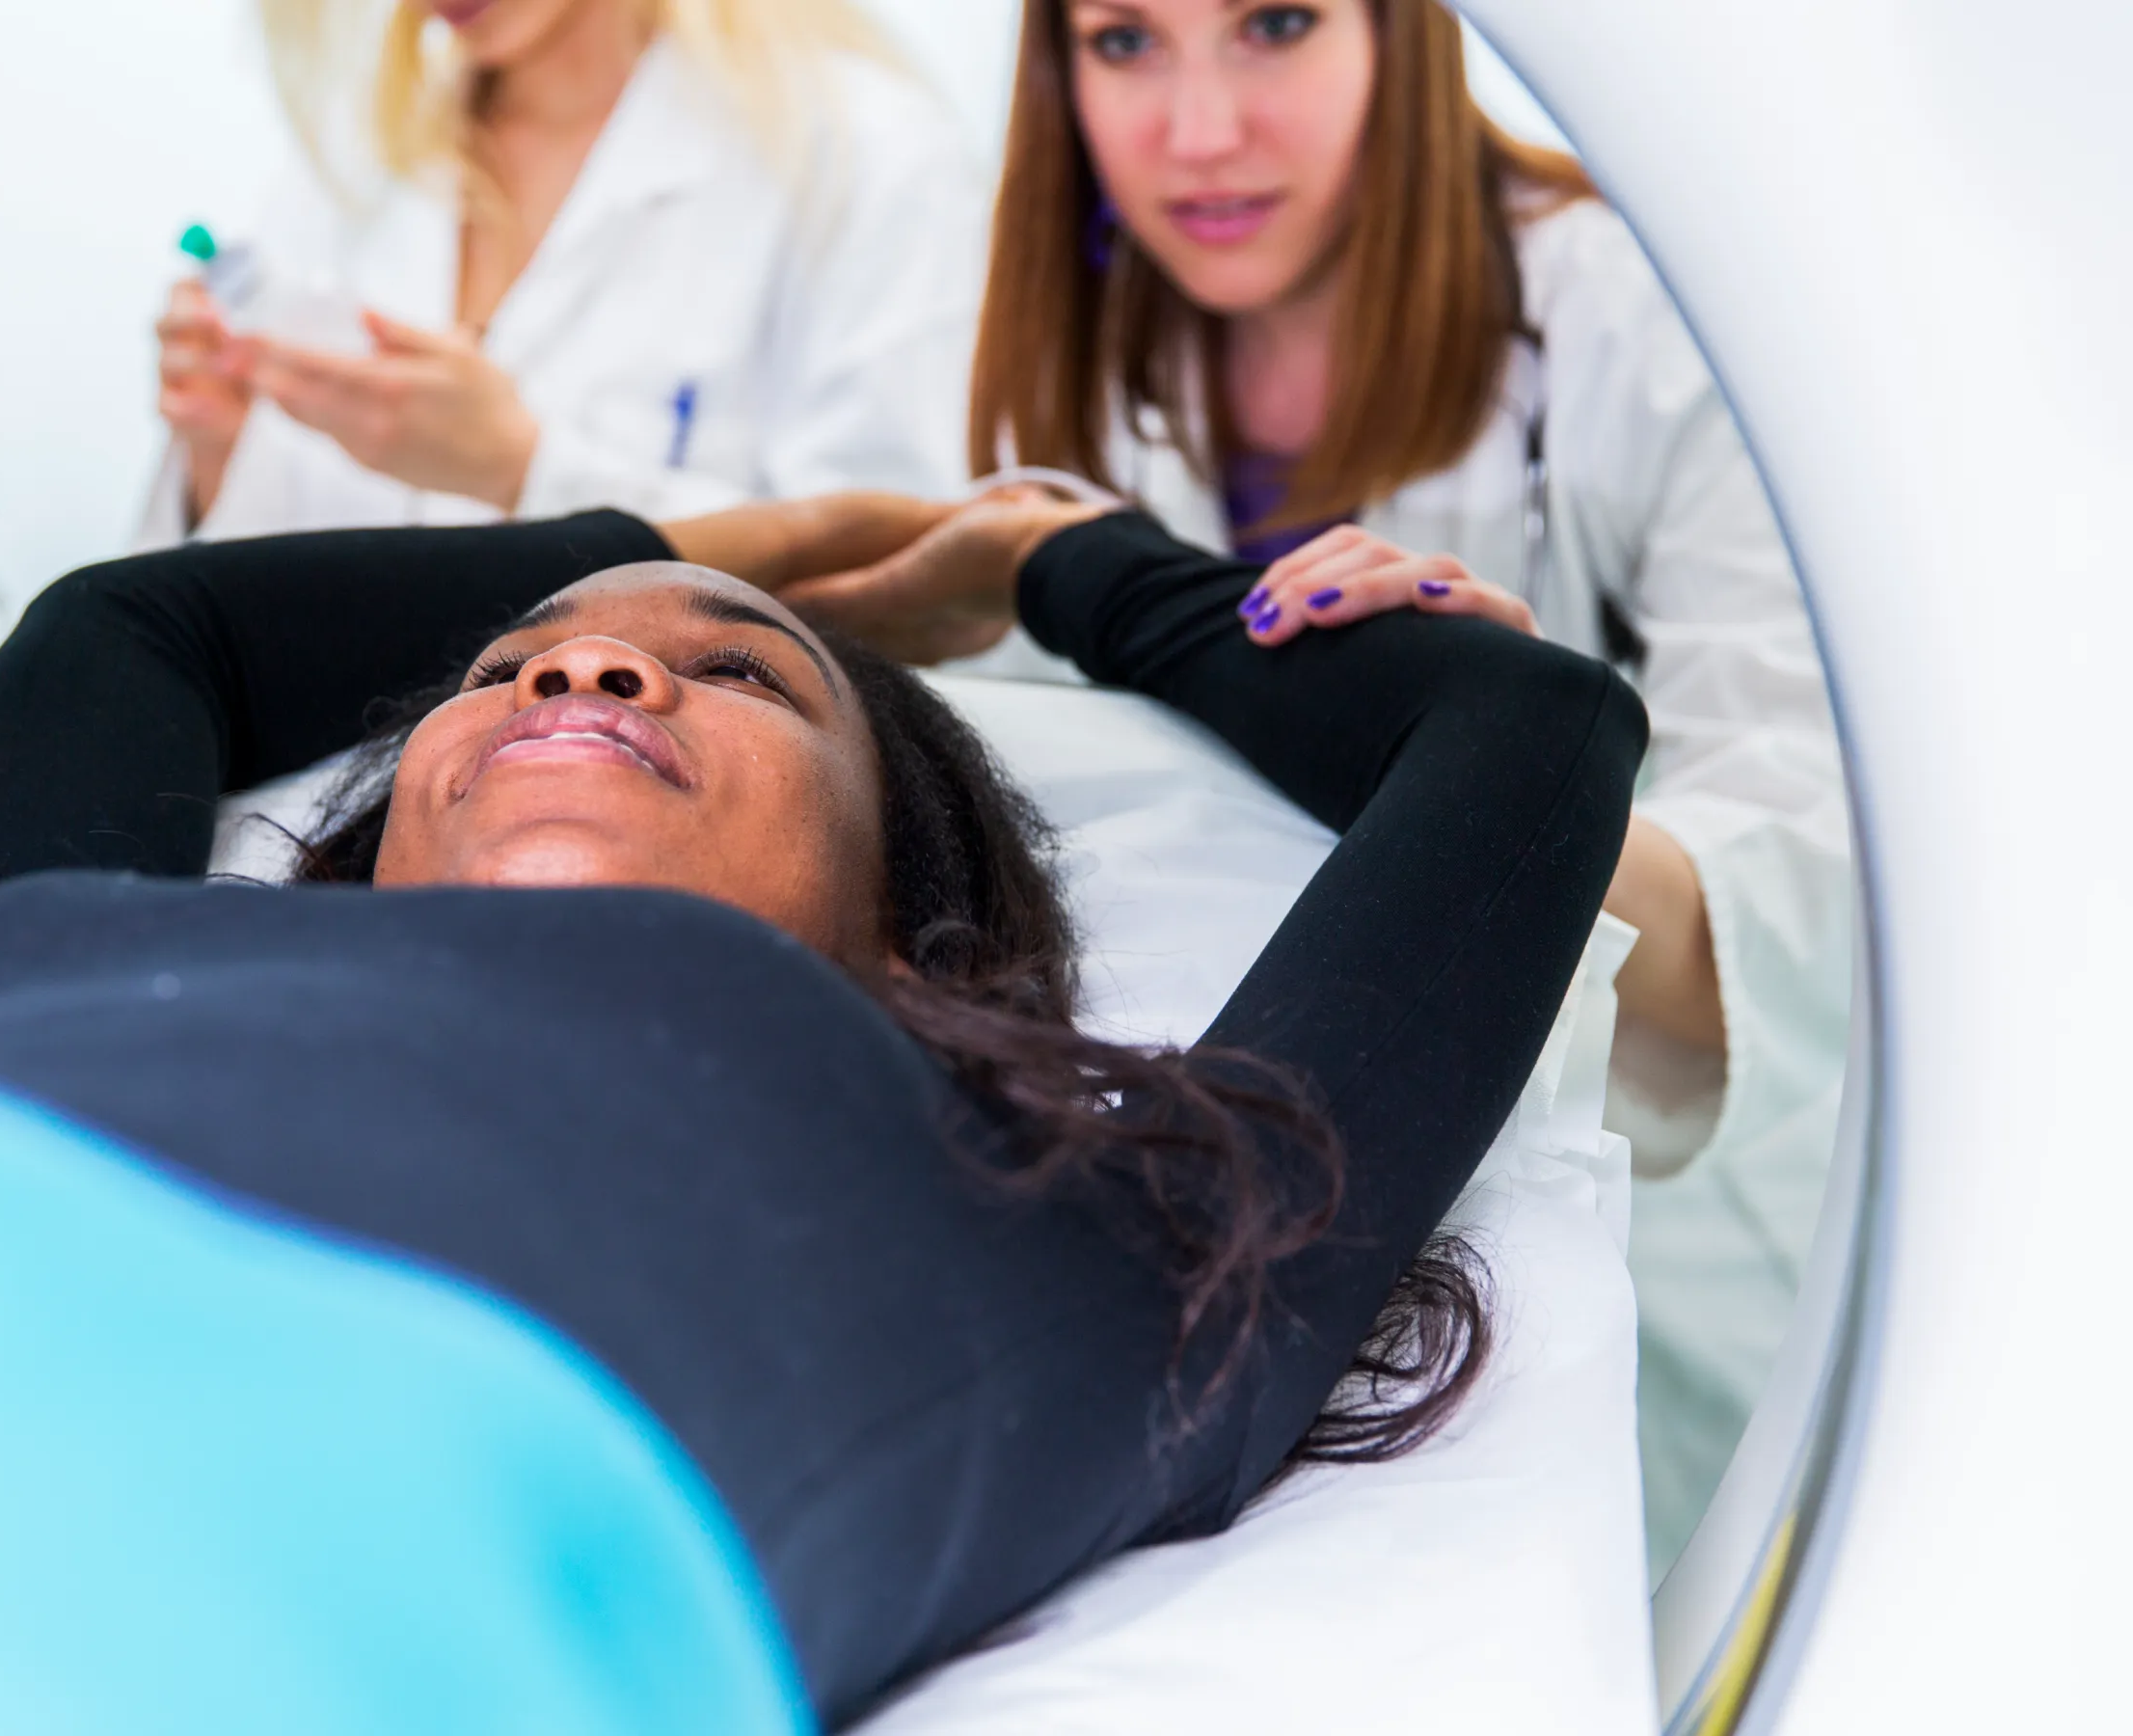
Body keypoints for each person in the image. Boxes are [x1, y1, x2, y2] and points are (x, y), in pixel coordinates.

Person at [0, 491, 1645, 1721]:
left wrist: (1079, 565)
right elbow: (137, 627)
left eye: (739, 679)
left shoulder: (1077, 1245)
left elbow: (1527, 738)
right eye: (507, 667)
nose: (578, 670)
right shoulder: (61, 942)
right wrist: (799, 554)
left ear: (904, 939)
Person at [785, 0, 1851, 1573]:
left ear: (1407, 34)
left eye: (1274, 23)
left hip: (1685, 1258)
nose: (1200, 131)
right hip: (1258, 1207)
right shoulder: (1027, 352)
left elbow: (1797, 928)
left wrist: (1505, 776)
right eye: (1125, 42)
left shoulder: (1649, 318)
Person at [138, 0, 985, 545]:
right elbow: (284, 581)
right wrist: (221, 452)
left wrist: (525, 471)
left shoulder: (864, 154)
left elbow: (905, 583)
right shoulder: (358, 166)